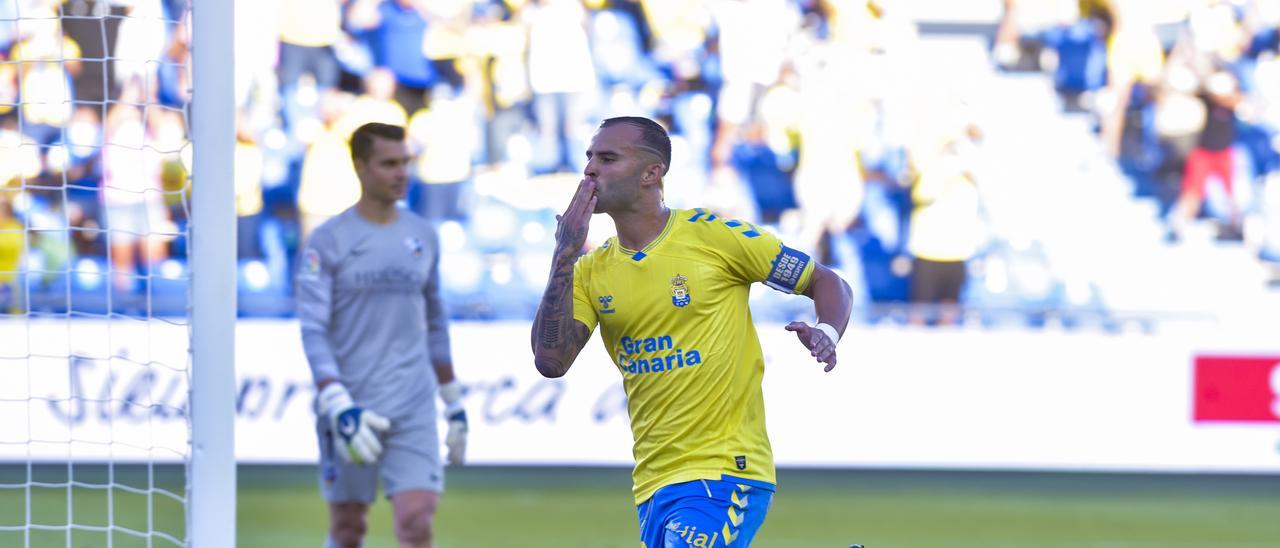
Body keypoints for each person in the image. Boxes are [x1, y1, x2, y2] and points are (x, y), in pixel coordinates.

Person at [530, 116, 853, 547]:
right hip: (654, 481)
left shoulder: (714, 238)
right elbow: (551, 361)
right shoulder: (590, 271)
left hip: (725, 468)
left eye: (607, 158)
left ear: (652, 173)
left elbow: (827, 281)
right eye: (589, 158)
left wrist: (827, 331)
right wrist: (565, 252)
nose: (590, 169)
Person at [296, 122, 468, 548]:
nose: (401, 173)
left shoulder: (423, 236)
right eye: (389, 163)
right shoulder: (329, 241)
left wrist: (452, 401)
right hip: (351, 402)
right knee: (349, 527)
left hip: (413, 403)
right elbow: (313, 329)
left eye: (406, 162)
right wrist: (336, 400)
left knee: (416, 522)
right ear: (360, 167)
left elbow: (435, 321)